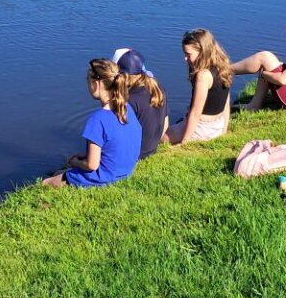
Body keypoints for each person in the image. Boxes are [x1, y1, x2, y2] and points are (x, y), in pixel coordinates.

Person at [42, 58, 142, 188]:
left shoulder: (97, 120)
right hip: (125, 171)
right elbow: (115, 144)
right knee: (60, 173)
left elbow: (91, 165)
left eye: (88, 81)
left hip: (105, 178)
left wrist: (76, 162)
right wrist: (83, 157)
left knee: (46, 183)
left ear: (96, 84)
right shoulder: (127, 108)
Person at [162, 29, 232, 145]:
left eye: (188, 54)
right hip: (218, 125)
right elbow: (226, 103)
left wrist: (184, 142)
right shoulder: (223, 67)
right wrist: (223, 129)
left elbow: (195, 113)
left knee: (161, 138)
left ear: (202, 52)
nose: (185, 58)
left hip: (203, 128)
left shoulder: (203, 76)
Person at [112, 48, 169, 159]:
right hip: (152, 148)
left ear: (122, 75)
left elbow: (119, 135)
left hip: (134, 154)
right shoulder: (158, 88)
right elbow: (165, 123)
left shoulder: (129, 100)